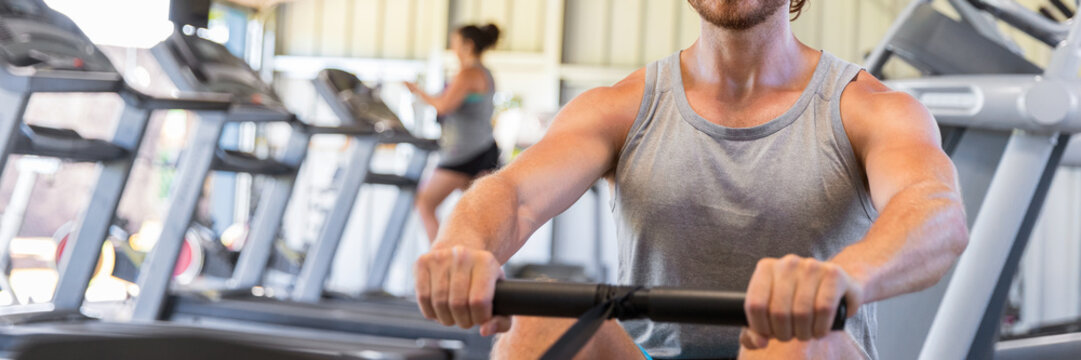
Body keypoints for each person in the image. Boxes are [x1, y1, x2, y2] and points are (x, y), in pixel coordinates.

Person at [413, 0, 969, 359]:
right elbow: (512, 195)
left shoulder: (870, 108)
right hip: (651, 355)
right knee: (538, 326)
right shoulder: (620, 107)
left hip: (806, 354)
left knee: (793, 340)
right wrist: (462, 245)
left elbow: (934, 209)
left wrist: (847, 276)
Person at [406, 24, 502, 243]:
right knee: (474, 215)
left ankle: (442, 261)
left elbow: (443, 106)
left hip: (465, 153)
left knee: (425, 203)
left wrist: (417, 90)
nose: (453, 49)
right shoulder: (483, 73)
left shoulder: (469, 73)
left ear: (467, 46)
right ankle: (473, 260)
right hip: (481, 148)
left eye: (455, 44)